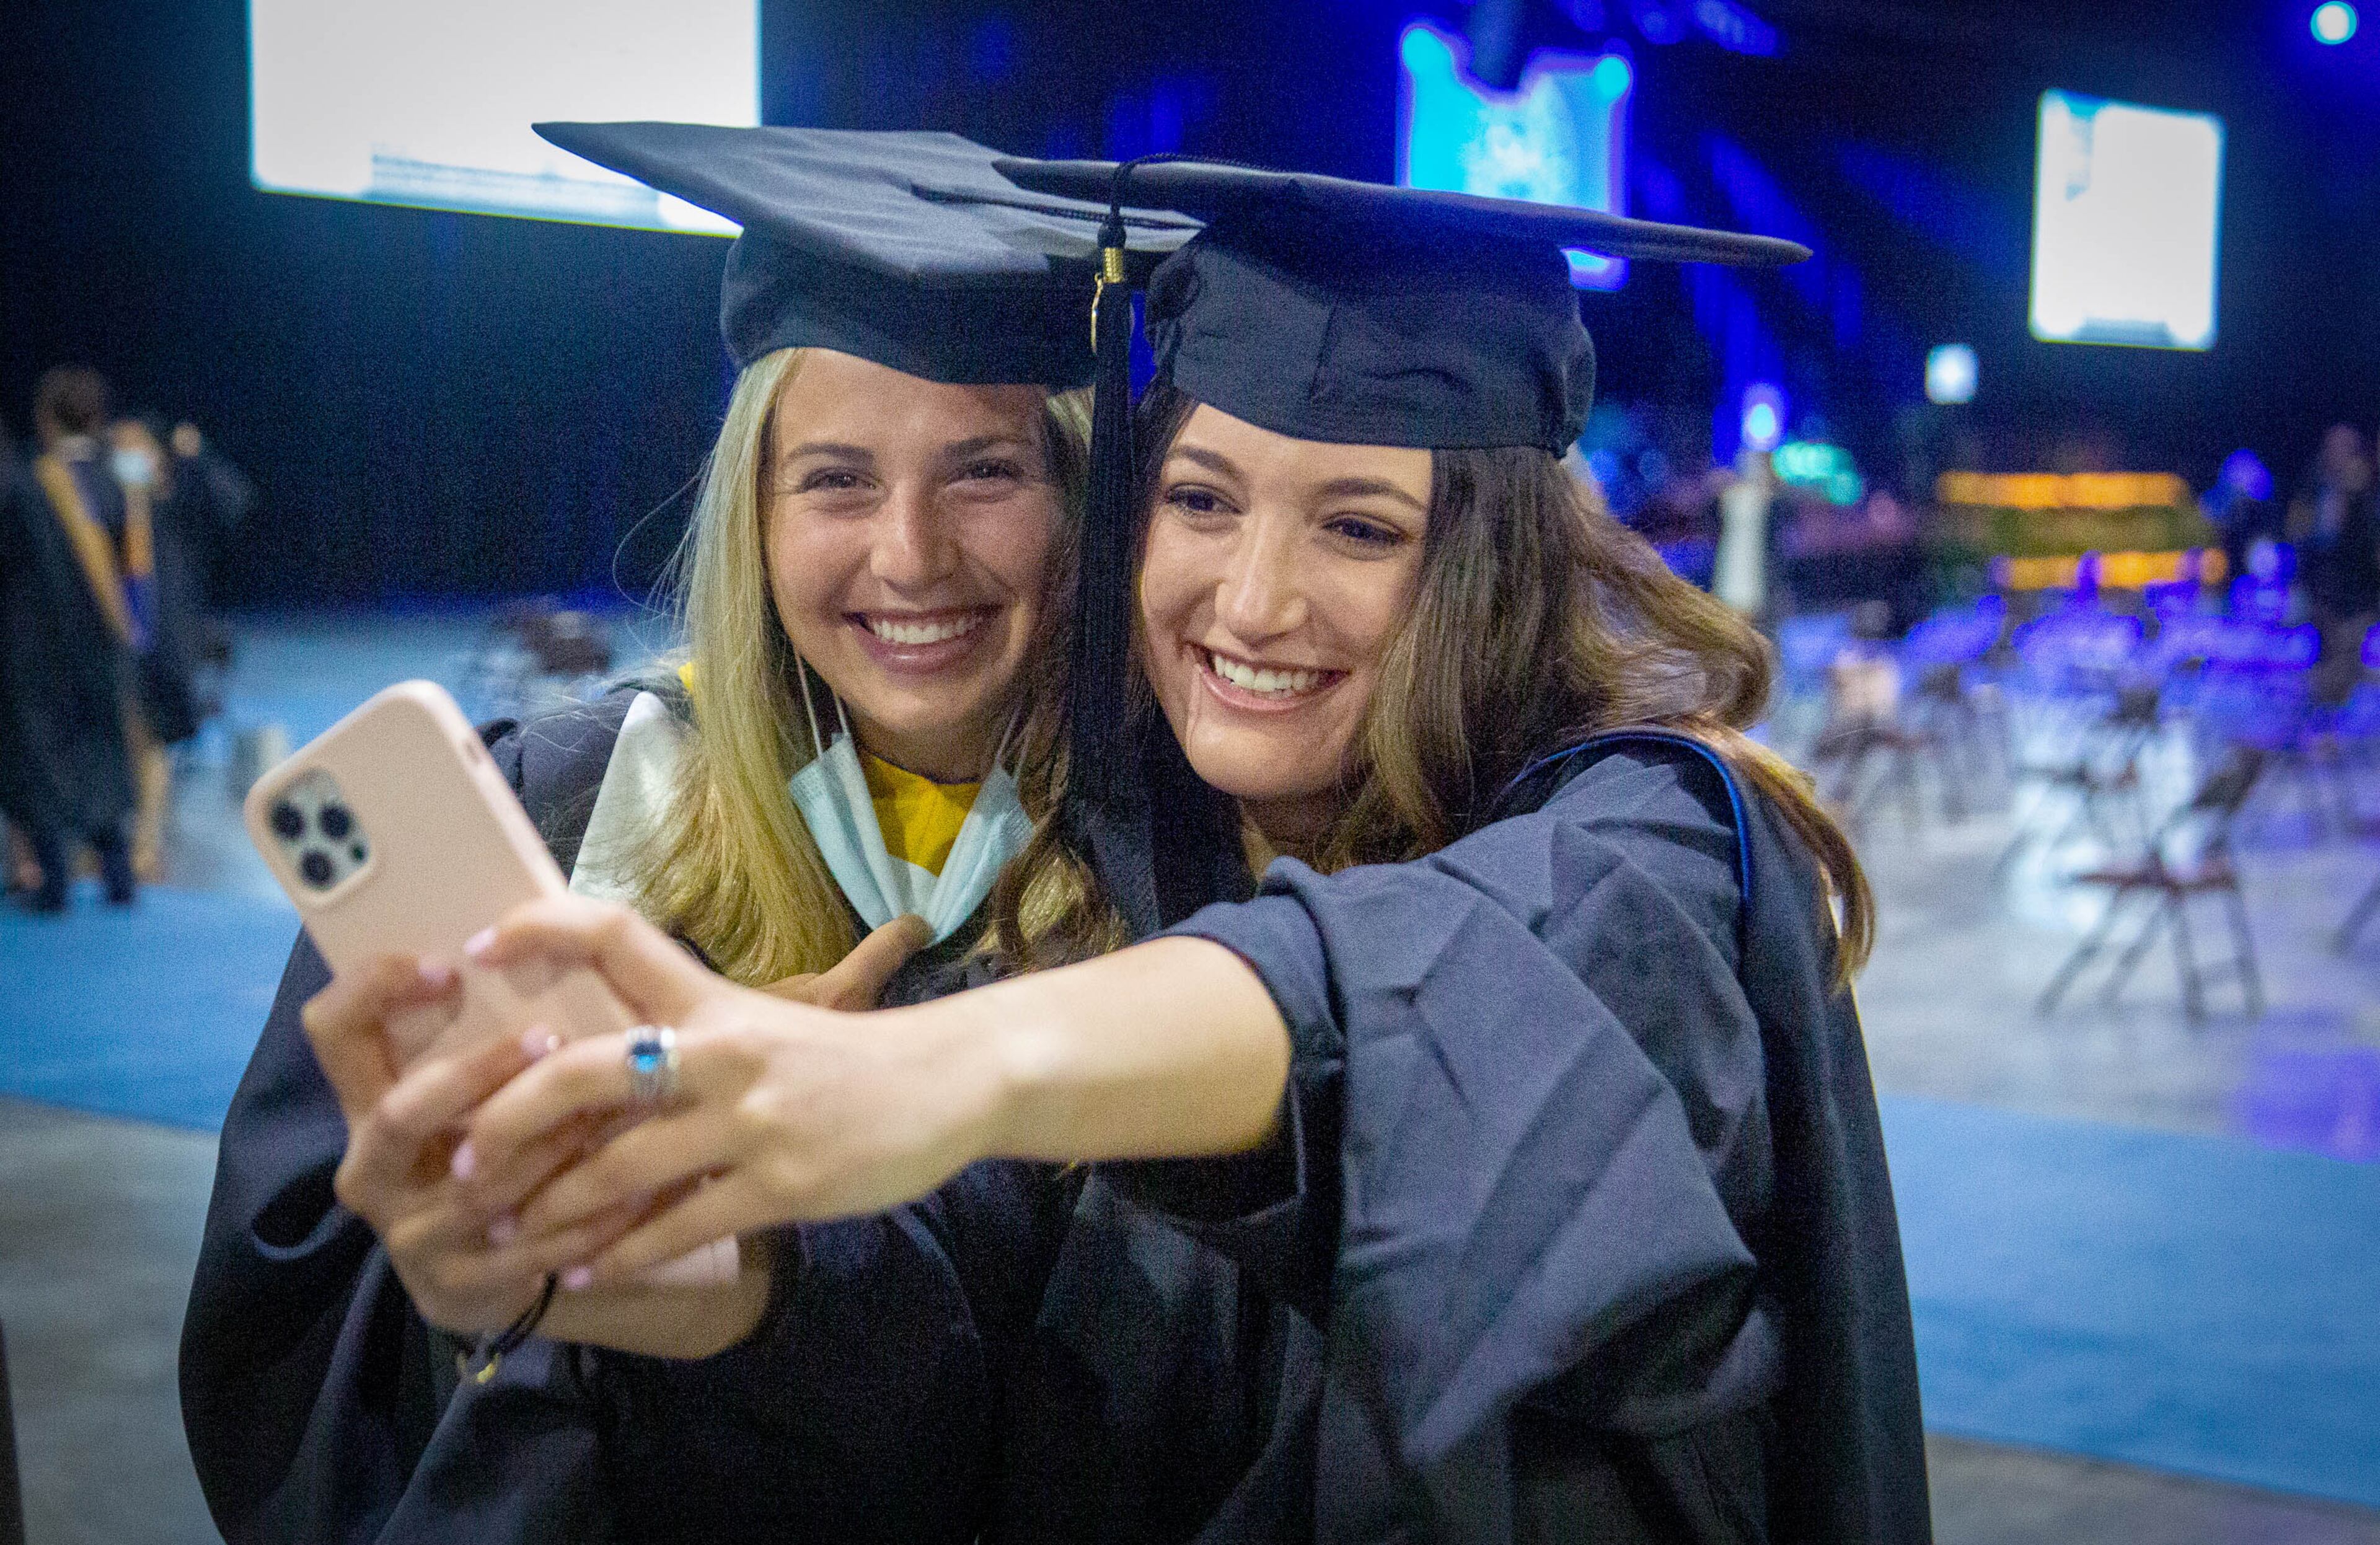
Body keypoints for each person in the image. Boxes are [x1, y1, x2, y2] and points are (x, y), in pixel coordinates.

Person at [443, 160, 1929, 1543]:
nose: (1254, 601)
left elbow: (1426, 988)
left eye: (1357, 528)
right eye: (1200, 502)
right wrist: (703, 1267)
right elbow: (943, 1347)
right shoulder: (1103, 873)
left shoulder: (1643, 847)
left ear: (1486, 567)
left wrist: (933, 1073)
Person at [180, 123, 1188, 1544]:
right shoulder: (564, 813)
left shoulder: (1191, 879)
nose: (907, 553)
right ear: (754, 512)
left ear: (1080, 497)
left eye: (983, 473)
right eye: (834, 477)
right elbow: (285, 1356)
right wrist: (509, 1278)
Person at [0, 365, 144, 909]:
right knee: (105, 749)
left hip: (34, 651)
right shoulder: (121, 480)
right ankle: (118, 875)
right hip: (106, 646)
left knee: (39, 757)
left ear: (47, 417)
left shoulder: (30, 485)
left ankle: (53, 879)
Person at [2288, 425, 2379, 705]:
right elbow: (2297, 533)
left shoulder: (2367, 493)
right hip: (2320, 596)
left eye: (2348, 449)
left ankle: (2330, 721)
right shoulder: (2313, 489)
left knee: (2346, 660)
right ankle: (2321, 721)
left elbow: (2369, 545)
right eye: (2336, 448)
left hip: (2357, 598)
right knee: (2325, 658)